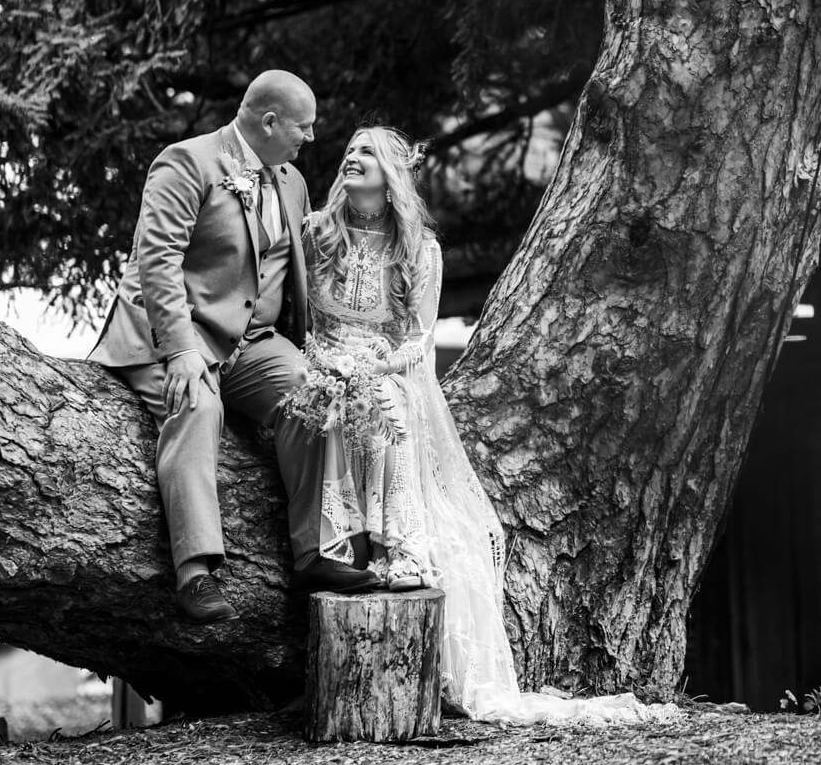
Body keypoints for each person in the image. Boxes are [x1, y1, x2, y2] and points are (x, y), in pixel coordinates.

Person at [294, 125, 674, 724]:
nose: (351, 159)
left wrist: (372, 366)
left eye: (366, 153)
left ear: (393, 175)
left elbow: (419, 341)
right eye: (348, 152)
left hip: (387, 369)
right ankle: (341, 550)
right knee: (333, 404)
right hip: (320, 364)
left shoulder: (419, 250)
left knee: (386, 404)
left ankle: (397, 552)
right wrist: (327, 365)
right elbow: (296, 313)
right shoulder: (317, 235)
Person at [87, 70, 379, 623]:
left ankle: (316, 551)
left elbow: (292, 270)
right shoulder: (187, 162)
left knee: (313, 393)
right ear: (269, 122)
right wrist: (179, 350)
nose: (311, 138)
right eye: (304, 126)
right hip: (174, 335)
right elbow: (158, 261)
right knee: (198, 405)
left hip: (253, 344)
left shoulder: (291, 181)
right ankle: (195, 573)